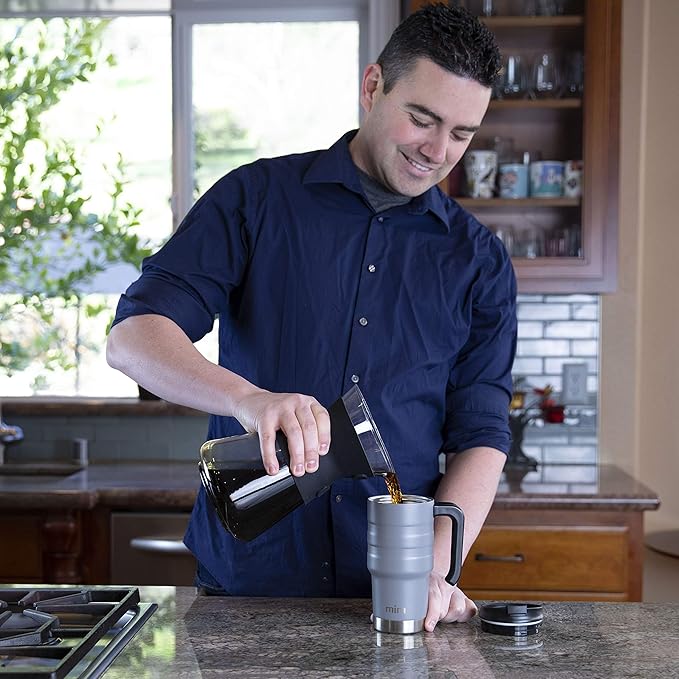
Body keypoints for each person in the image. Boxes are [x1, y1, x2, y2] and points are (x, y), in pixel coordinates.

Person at [106, 2, 516, 632]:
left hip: (392, 600)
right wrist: (247, 400)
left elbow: (481, 433)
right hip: (248, 584)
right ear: (373, 86)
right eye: (422, 119)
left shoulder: (479, 261)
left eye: (462, 134)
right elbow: (133, 338)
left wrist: (432, 569)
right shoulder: (256, 199)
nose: (437, 152)